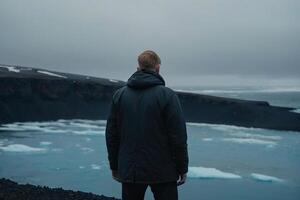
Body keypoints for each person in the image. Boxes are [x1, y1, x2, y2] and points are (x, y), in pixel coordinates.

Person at [105, 50, 189, 200]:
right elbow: (178, 136)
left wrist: (114, 165)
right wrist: (182, 168)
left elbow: (112, 134)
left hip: (131, 170)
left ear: (138, 68)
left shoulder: (119, 95)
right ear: (157, 68)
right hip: (163, 171)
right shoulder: (167, 95)